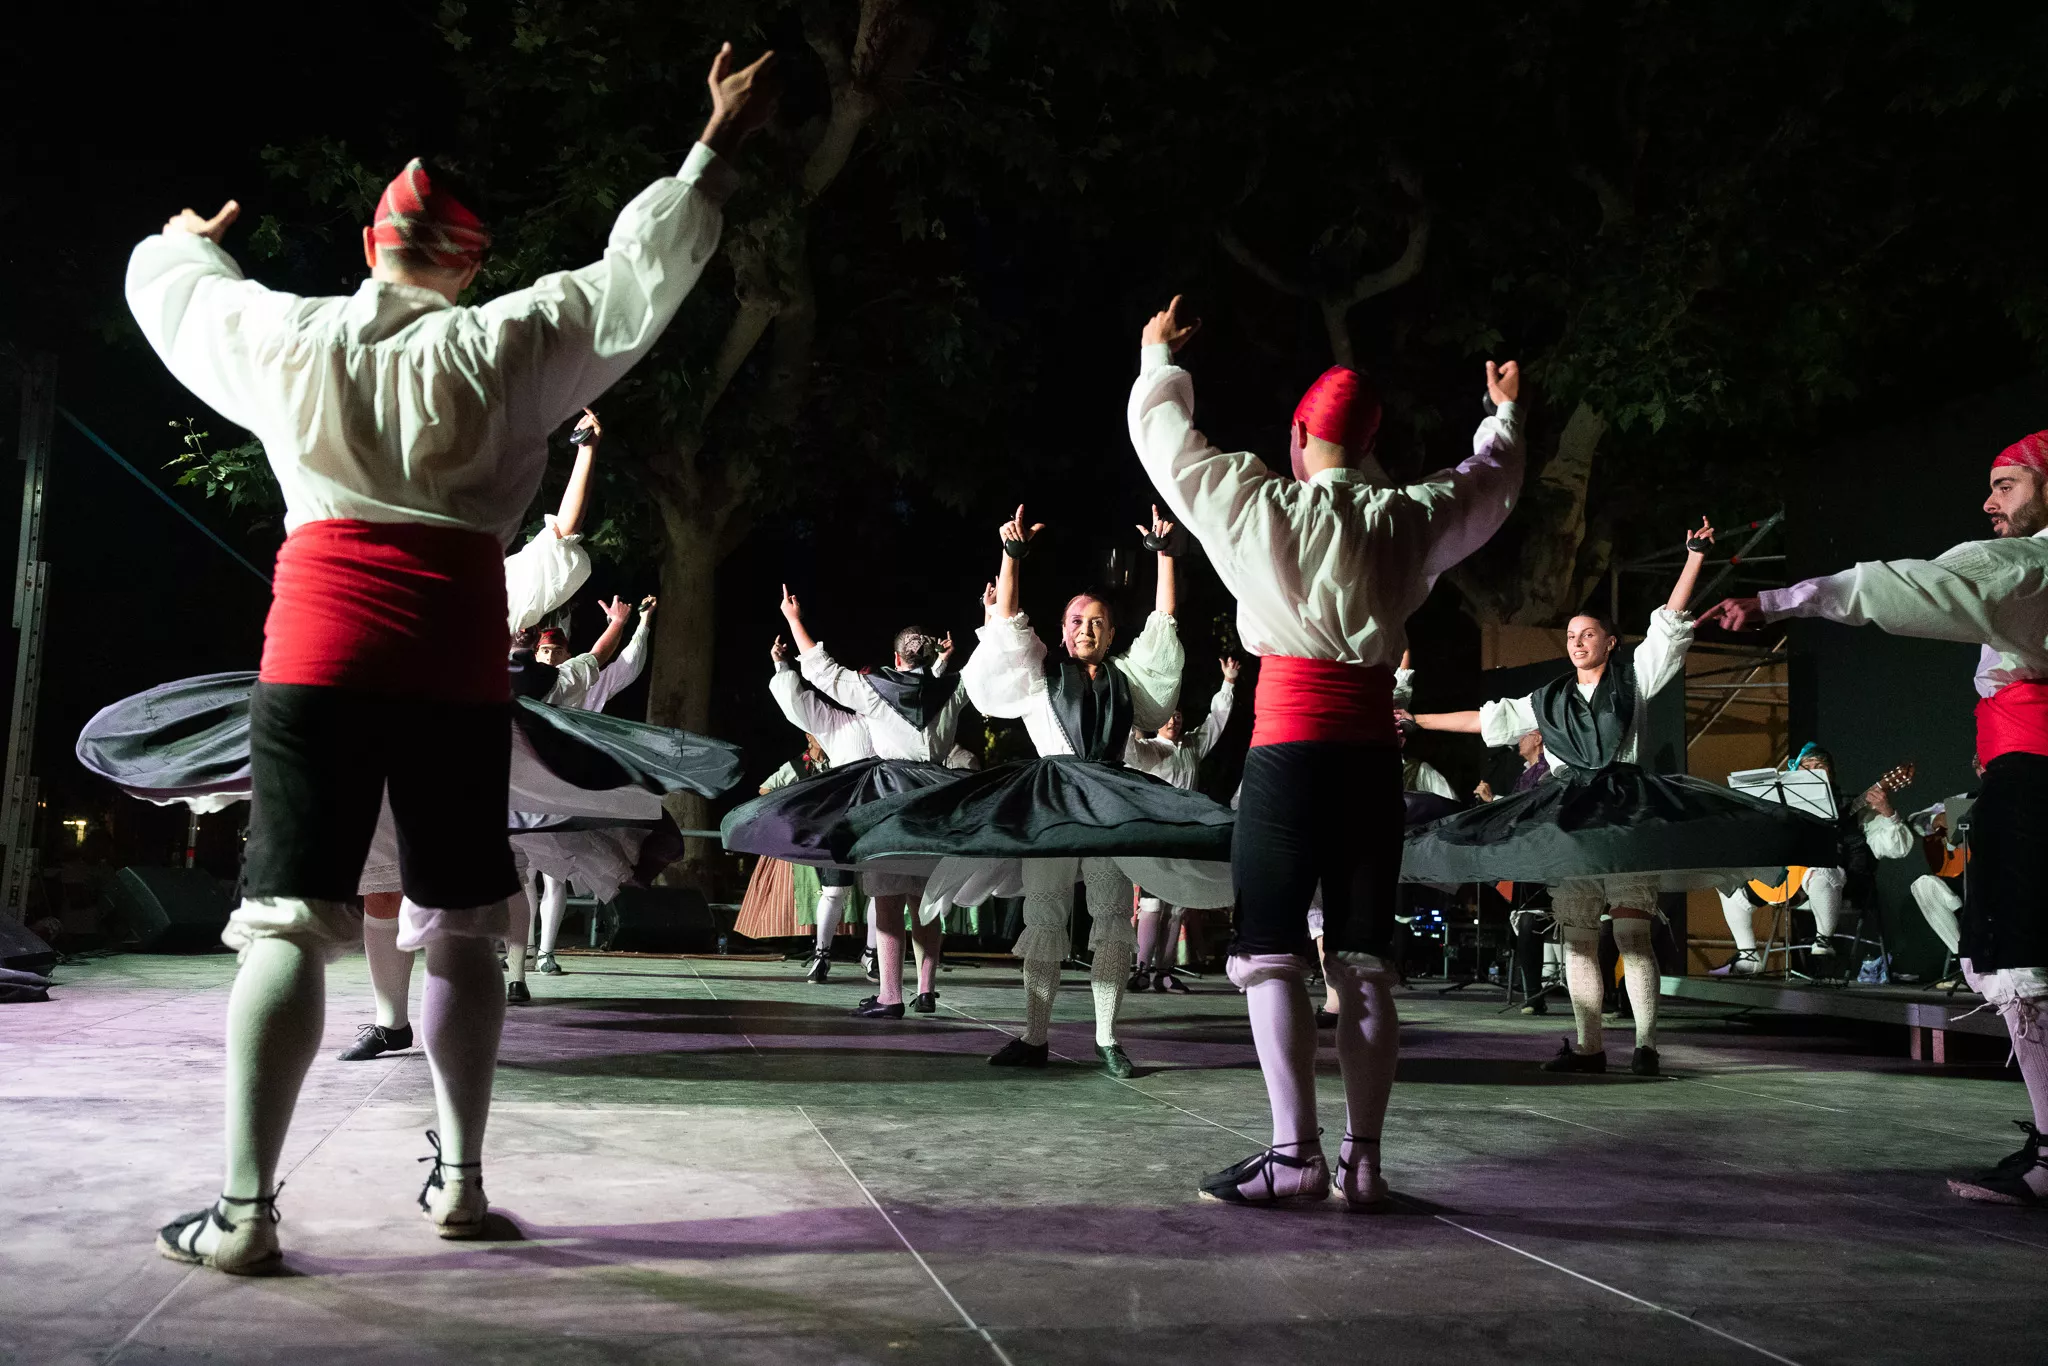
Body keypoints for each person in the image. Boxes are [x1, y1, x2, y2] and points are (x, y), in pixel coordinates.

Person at [124, 42, 776, 1272]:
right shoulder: (505, 344)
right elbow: (633, 278)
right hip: (453, 659)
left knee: (284, 925)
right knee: (463, 926)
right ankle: (462, 1182)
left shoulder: (294, 336)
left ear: (368, 248)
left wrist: (184, 244)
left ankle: (245, 1211)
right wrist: (711, 146)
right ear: (470, 265)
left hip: (318, 648)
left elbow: (185, 301)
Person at [1126, 293, 1525, 1207]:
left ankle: (1294, 1155)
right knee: (1363, 955)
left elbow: (1168, 447)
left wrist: (1159, 362)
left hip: (1289, 752)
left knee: (1271, 949)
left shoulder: (1259, 504)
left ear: (1300, 437)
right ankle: (1364, 1163)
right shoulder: (1406, 516)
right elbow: (1488, 485)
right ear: (1370, 444)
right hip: (1369, 761)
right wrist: (1502, 416)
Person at [1706, 428, 2048, 1205]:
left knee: (2018, 965)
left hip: (2032, 771)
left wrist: (1779, 601)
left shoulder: (2030, 565)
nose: (1989, 502)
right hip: (2022, 763)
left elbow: (1906, 585)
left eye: (2007, 485)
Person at [1406, 519, 1831, 1077]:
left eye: (1588, 634)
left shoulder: (1634, 679)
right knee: (1579, 937)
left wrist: (1694, 559)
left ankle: (1646, 1045)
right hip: (1571, 817)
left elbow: (1670, 626)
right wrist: (1415, 719)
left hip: (1627, 809)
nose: (1577, 641)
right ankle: (1590, 1046)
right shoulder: (1548, 699)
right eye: (1570, 635)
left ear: (1609, 642)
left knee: (1632, 933)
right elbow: (1486, 720)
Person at [841, 506, 1233, 1078]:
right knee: (1045, 916)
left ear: (1112, 633)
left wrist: (1165, 557)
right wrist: (1012, 557)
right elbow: (1006, 626)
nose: (1086, 629)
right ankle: (1034, 1035)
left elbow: (1163, 624)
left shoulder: (1129, 684)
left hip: (1108, 805)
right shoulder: (1038, 676)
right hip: (1050, 804)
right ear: (1063, 629)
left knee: (1110, 919)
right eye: (1076, 620)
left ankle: (1106, 1037)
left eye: (1097, 622)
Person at [747, 590, 968, 1017]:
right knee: (924, 899)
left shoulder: (877, 692)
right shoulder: (952, 689)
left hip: (891, 801)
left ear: (896, 660)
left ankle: (890, 995)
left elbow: (824, 672)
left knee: (887, 899)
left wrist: (793, 619)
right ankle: (926, 989)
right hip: (937, 800)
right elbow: (931, 684)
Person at [506, 593, 659, 997]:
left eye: (555, 650)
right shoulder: (553, 679)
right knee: (521, 879)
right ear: (534, 650)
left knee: (541, 878)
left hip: (536, 792)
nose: (550, 655)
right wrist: (620, 623)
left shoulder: (527, 677)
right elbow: (599, 655)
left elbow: (611, 661)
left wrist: (634, 626)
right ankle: (518, 965)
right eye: (543, 648)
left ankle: (535, 957)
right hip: (538, 791)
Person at [1712, 746, 1913, 977]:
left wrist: (1887, 812)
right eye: (1805, 767)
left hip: (1842, 884)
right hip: (1789, 879)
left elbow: (1898, 849)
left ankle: (1823, 941)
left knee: (1820, 868)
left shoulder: (1854, 808)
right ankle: (1748, 957)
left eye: (1819, 767)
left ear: (1831, 775)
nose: (1811, 772)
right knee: (1728, 883)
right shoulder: (1783, 805)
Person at [1126, 657, 1239, 992]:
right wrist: (1132, 718)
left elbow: (1215, 722)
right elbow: (1127, 750)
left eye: (1177, 715)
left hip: (1188, 834)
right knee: (1153, 903)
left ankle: (1163, 970)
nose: (1173, 720)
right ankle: (1141, 968)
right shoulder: (1149, 750)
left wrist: (1228, 683)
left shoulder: (1191, 745)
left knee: (1177, 905)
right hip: (1158, 834)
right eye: (1167, 715)